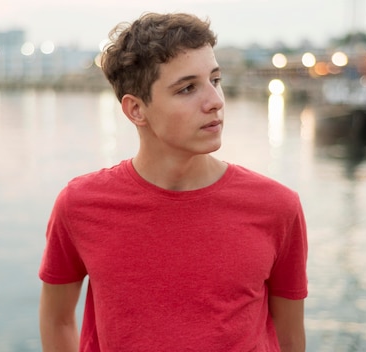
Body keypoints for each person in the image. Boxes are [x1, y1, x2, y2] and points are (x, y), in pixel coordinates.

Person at [38, 12, 308, 352]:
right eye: (188, 88)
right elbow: (57, 319)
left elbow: (290, 335)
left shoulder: (277, 207)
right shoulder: (79, 205)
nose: (215, 101)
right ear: (136, 110)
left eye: (215, 80)